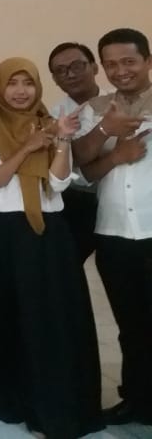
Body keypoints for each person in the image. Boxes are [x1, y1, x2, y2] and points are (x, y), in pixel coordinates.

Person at [0, 58, 103, 438]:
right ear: (1, 89)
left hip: (48, 232)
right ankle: (16, 395)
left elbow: (59, 183)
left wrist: (60, 140)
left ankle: (56, 401)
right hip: (3, 233)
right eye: (12, 83)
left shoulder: (52, 122)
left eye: (27, 83)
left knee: (53, 318)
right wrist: (27, 147)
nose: (20, 91)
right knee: (12, 314)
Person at [73, 28, 152, 426]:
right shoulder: (96, 109)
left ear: (148, 61)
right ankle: (136, 399)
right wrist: (113, 145)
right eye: (111, 64)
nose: (120, 71)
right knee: (130, 325)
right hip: (114, 233)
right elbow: (84, 168)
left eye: (129, 61)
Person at [47, 42, 107, 264]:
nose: (70, 74)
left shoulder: (120, 102)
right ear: (54, 79)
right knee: (69, 267)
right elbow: (74, 166)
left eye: (77, 66)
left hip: (123, 196)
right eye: (61, 71)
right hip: (77, 202)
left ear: (95, 67)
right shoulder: (54, 117)